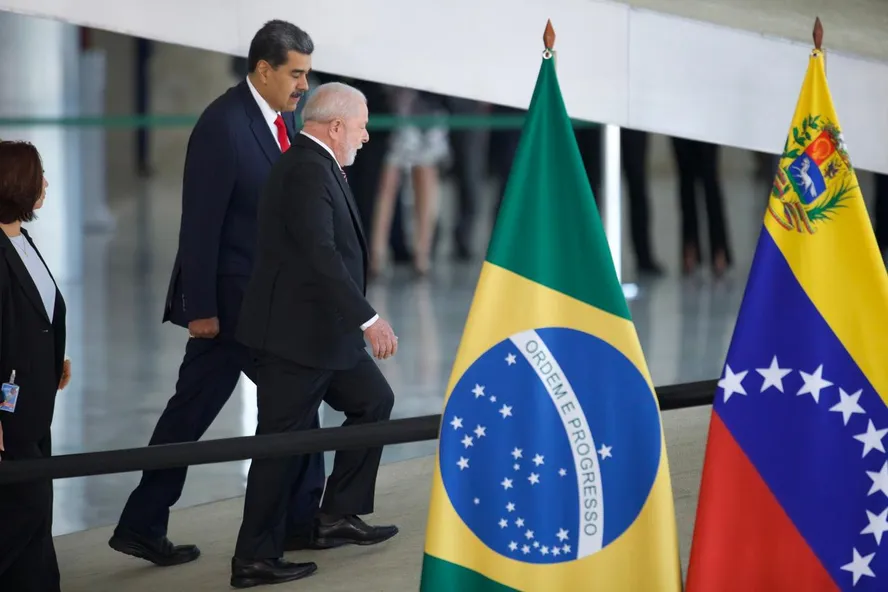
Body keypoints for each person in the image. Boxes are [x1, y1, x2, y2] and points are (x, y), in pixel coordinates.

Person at [110, 20, 327, 566]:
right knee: (291, 401)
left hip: (258, 305)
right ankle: (299, 524)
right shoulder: (223, 124)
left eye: (306, 73)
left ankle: (142, 523)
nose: (303, 85)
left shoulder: (277, 120)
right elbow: (200, 226)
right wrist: (201, 310)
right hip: (230, 310)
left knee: (193, 414)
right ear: (263, 69)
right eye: (295, 73)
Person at [230, 82, 399, 588]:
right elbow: (318, 255)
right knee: (279, 446)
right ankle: (253, 558)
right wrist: (369, 319)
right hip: (295, 340)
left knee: (373, 403)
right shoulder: (306, 169)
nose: (367, 136)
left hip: (326, 336)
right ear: (336, 126)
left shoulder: (320, 163)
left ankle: (334, 515)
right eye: (363, 126)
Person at [0, 140, 72, 592]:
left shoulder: (19, 238)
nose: (45, 182)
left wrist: (51, 360)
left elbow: (37, 314)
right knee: (21, 513)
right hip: (9, 415)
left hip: (33, 402)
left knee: (33, 512)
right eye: (37, 174)